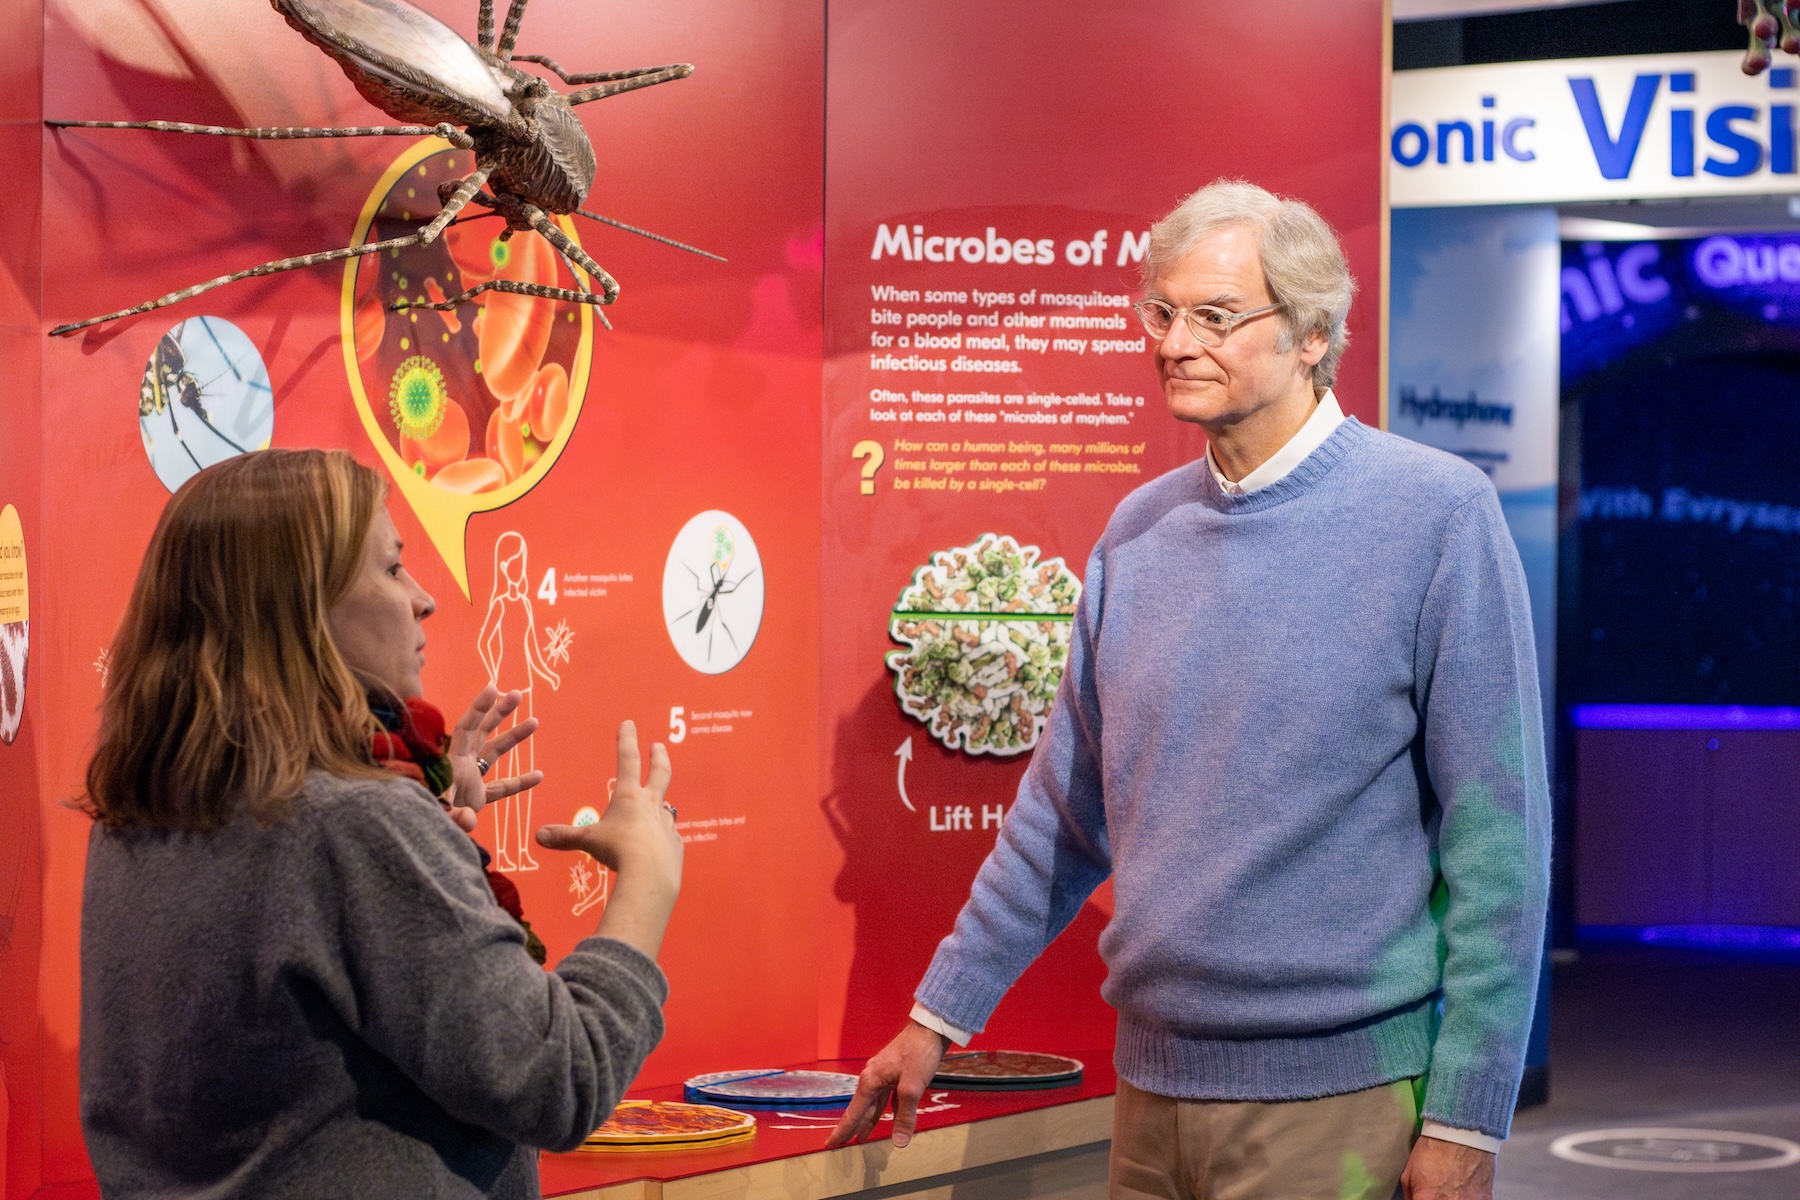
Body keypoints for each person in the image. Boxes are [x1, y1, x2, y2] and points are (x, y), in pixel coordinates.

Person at [829, 181, 1551, 1200]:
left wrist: (1469, 1119)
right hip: (1151, 1096)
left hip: (1340, 1106)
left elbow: (1500, 849)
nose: (1174, 342)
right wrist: (936, 1021)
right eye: (1162, 313)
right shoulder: (1138, 533)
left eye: (1215, 316)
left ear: (1311, 335)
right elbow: (1060, 823)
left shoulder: (1436, 517)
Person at [79, 448, 682, 1199]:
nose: (424, 598)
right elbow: (559, 1079)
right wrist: (648, 876)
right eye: (393, 569)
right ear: (300, 608)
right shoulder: (352, 824)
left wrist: (421, 825)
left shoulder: (139, 816)